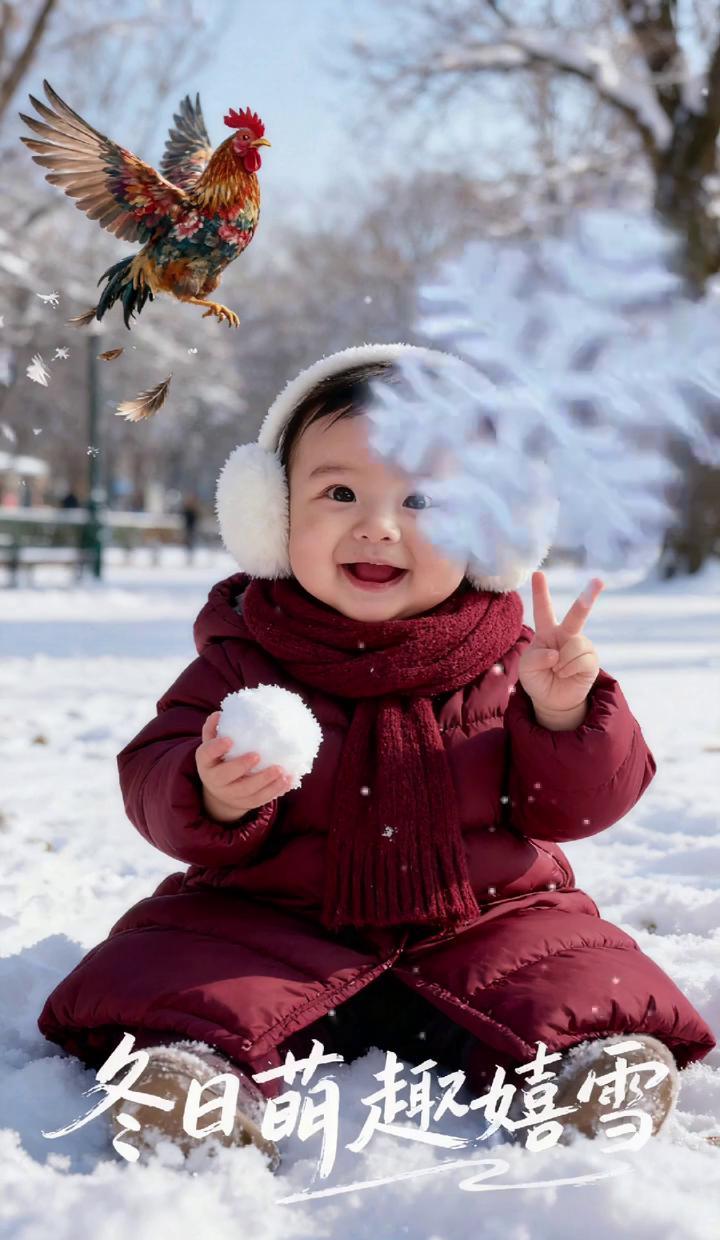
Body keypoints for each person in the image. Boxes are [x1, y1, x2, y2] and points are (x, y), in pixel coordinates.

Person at [37, 343, 716, 1169]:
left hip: (480, 920)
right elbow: (153, 776)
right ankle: (197, 1084)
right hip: (275, 922)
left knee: (580, 982)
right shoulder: (241, 652)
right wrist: (209, 791)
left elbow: (573, 808)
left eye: (423, 499)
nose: (377, 524)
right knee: (179, 978)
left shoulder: (518, 658)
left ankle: (588, 1078)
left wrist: (567, 713)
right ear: (274, 512)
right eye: (339, 492)